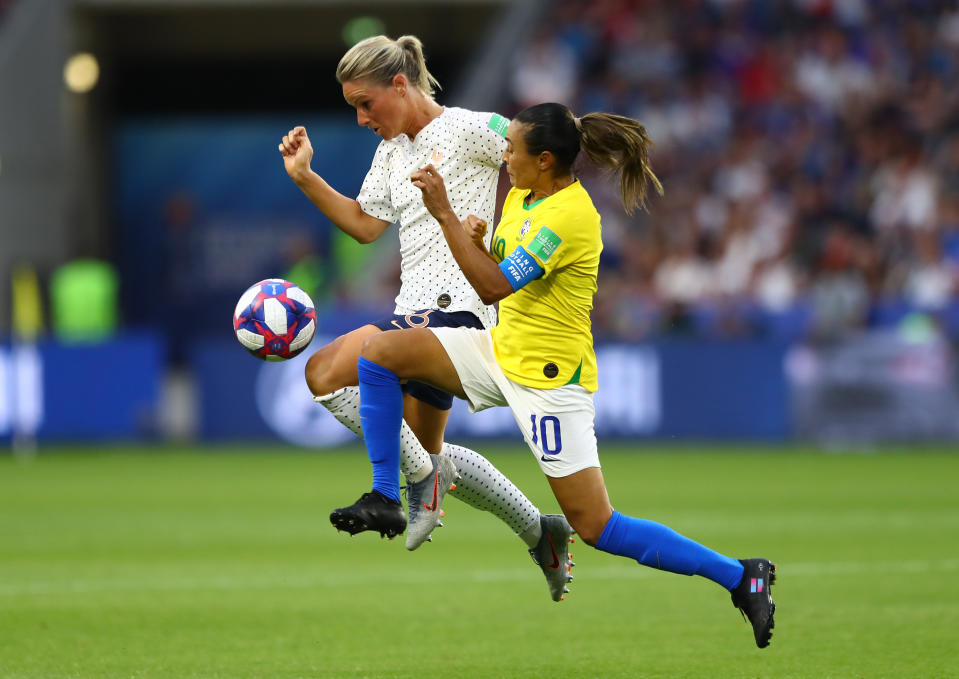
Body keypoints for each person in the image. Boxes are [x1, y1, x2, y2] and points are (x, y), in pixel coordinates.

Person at [348, 102, 777, 648]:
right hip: (499, 351)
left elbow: (494, 288)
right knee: (380, 354)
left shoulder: (571, 217)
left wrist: (448, 217)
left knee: (598, 526)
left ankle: (743, 576)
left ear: (545, 160)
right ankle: (386, 494)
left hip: (547, 383)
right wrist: (478, 240)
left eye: (513, 151)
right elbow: (499, 271)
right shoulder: (524, 196)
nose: (504, 158)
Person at [278, 35, 574, 601]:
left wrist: (518, 239)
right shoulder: (391, 153)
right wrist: (305, 177)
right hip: (410, 316)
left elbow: (540, 157)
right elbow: (367, 226)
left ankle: (396, 490)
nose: (363, 118)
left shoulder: (469, 128)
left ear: (400, 84)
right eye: (353, 109)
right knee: (428, 454)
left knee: (323, 373)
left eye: (367, 104)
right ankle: (541, 532)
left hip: (457, 316)